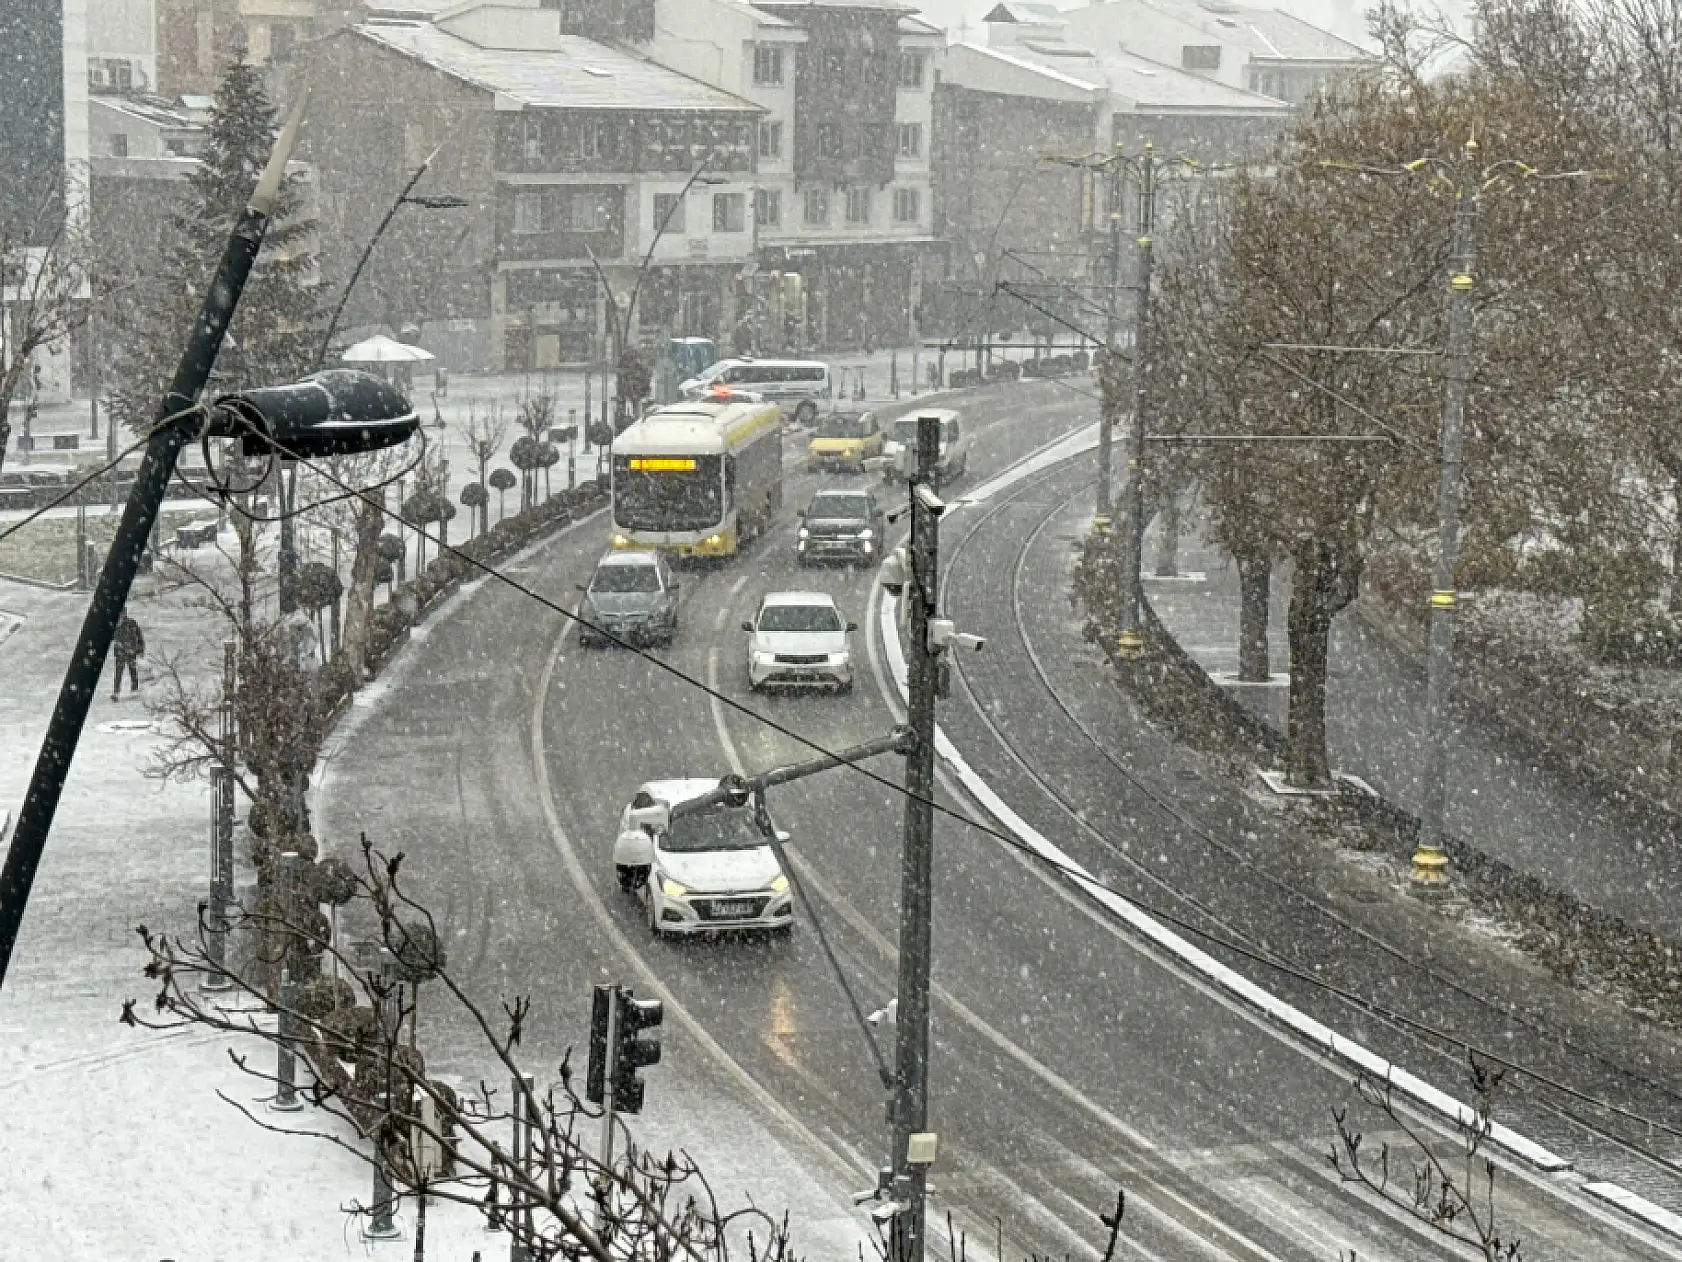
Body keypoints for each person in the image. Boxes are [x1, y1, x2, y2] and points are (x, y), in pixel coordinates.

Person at [111, 613, 144, 700]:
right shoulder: (116, 624)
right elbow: (114, 638)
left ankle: (134, 690)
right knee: (118, 673)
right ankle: (116, 692)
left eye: (123, 613)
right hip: (120, 653)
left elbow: (139, 636)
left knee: (133, 671)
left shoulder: (132, 623)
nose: (121, 615)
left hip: (131, 652)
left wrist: (140, 649)